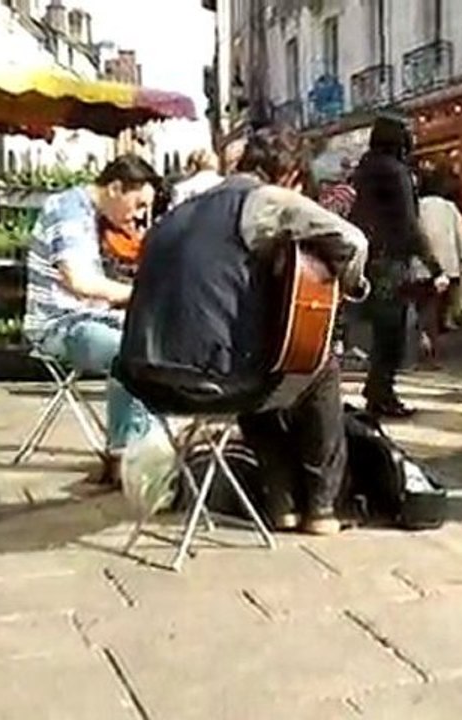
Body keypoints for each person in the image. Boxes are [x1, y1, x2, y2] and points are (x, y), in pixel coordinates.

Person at [118, 126, 370, 536]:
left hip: (145, 379)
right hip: (211, 382)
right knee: (317, 366)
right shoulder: (266, 200)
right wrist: (353, 285)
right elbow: (353, 241)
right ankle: (323, 507)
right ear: (289, 176)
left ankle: (282, 502)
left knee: (265, 364)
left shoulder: (179, 210)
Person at [23, 155, 161, 485]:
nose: (140, 215)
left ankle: (124, 452)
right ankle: (137, 456)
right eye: (139, 204)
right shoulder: (68, 210)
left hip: (85, 318)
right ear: (115, 188)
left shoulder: (87, 213)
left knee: (146, 343)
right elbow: (79, 282)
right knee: (130, 352)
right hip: (58, 324)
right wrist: (141, 295)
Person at [350, 115, 448, 418]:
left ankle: (377, 390)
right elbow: (409, 224)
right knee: (393, 332)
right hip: (392, 260)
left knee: (383, 332)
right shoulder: (397, 172)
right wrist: (435, 265)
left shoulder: (363, 170)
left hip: (369, 257)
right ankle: (383, 393)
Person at [418, 169, 462, 363]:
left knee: (425, 309)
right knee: (439, 310)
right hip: (449, 266)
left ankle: (425, 345)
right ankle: (436, 351)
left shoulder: (416, 206)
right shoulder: (450, 208)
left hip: (422, 267)